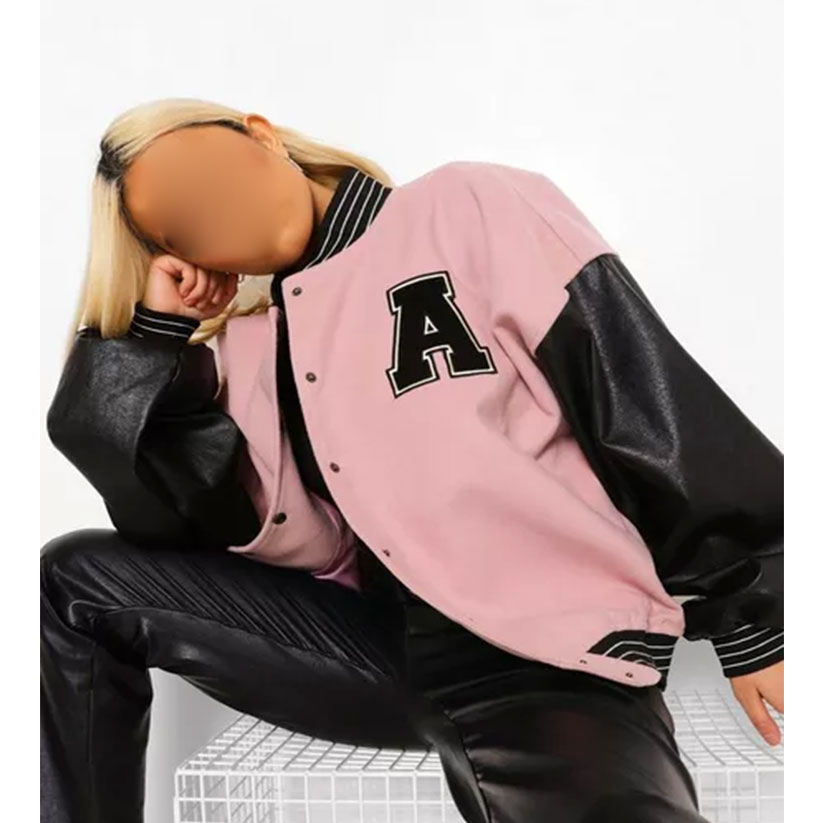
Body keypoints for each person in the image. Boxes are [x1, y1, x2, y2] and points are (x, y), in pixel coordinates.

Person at [41, 97, 783, 823]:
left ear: (261, 135)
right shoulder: (252, 342)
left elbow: (638, 391)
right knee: (72, 576)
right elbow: (159, 518)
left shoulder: (468, 206)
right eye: (187, 225)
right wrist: (154, 334)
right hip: (366, 643)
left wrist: (751, 620)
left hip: (536, 651)